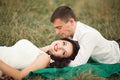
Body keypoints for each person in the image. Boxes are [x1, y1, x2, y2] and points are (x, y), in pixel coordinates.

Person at [50, 6, 120, 67]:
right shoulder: (72, 31)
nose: (57, 32)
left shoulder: (87, 36)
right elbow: (52, 47)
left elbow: (77, 64)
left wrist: (52, 63)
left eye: (59, 28)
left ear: (71, 22)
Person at [0, 38, 80, 80]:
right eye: (64, 43)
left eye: (63, 52)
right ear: (60, 39)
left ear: (60, 59)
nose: (60, 47)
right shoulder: (39, 51)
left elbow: (20, 76)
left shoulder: (45, 58)